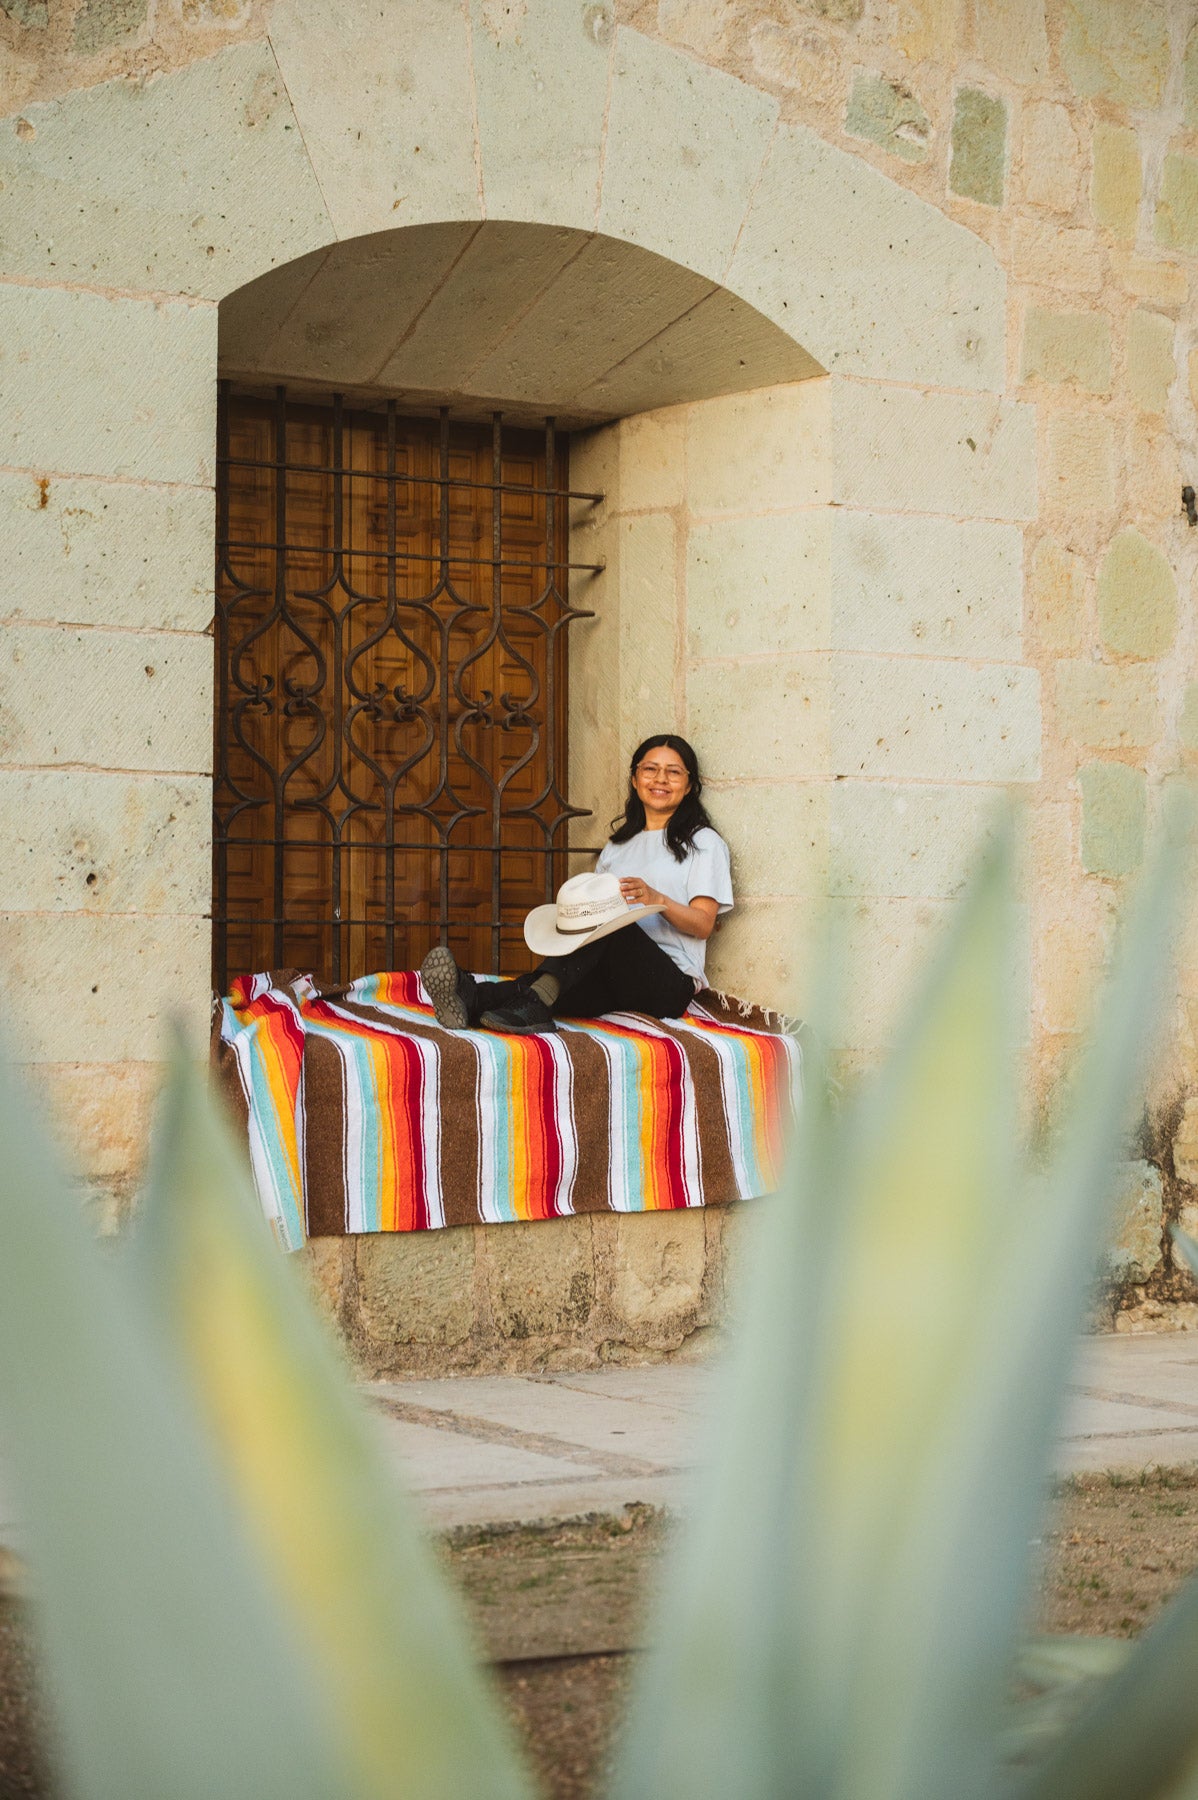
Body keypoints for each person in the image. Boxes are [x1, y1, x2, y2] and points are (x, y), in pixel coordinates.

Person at [420, 733, 733, 1034]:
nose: (661, 779)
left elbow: (703, 924)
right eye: (650, 769)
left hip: (668, 985)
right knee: (557, 983)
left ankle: (532, 1006)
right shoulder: (618, 846)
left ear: (689, 785)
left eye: (673, 772)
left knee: (611, 926)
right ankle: (472, 997)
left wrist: (657, 898)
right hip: (614, 976)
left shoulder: (703, 843)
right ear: (635, 779)